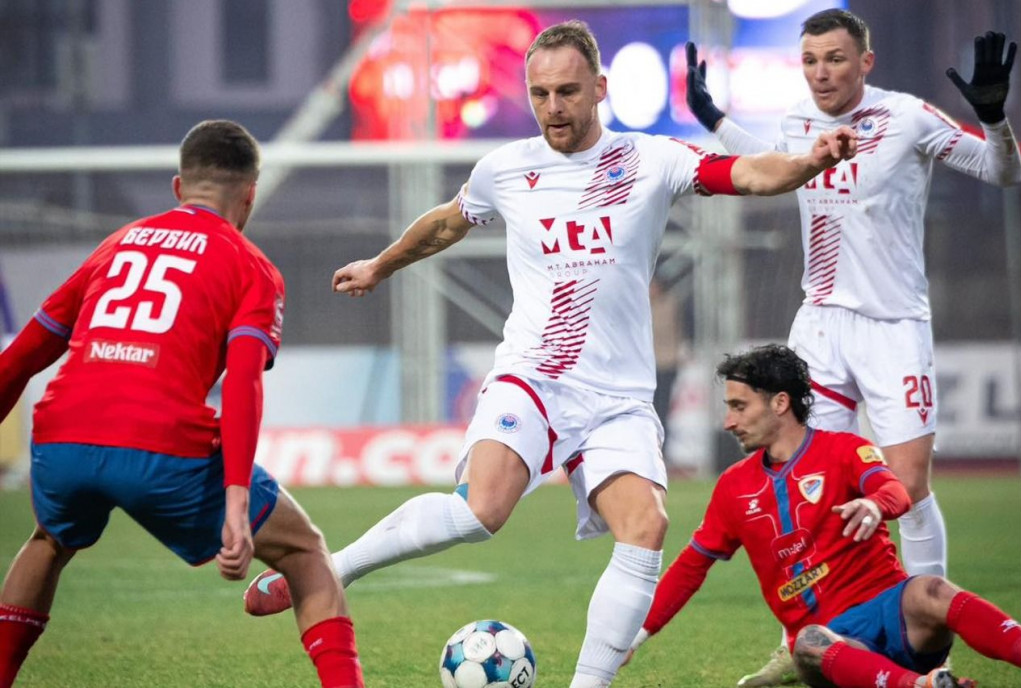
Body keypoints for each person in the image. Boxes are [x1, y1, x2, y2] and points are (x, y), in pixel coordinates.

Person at [243, 20, 855, 687]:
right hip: (535, 375)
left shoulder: (651, 160)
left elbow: (751, 173)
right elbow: (448, 220)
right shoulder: (506, 168)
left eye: (568, 91)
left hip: (618, 395)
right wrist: (380, 265)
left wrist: (809, 163)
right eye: (540, 94)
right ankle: (333, 569)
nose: (554, 107)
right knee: (482, 511)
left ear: (600, 88)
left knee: (646, 527)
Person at [684, 10, 1021, 685]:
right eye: (810, 60)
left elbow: (1002, 170)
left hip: (893, 327)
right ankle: (809, 640)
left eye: (835, 59)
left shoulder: (908, 117)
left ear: (866, 61)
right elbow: (766, 158)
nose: (821, 73)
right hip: (820, 328)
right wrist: (712, 118)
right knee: (809, 487)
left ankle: (931, 644)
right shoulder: (797, 122)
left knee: (909, 489)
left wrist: (993, 118)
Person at [0, 120, 364, 688]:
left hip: (62, 435)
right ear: (249, 195)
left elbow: (19, 359)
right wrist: (236, 503)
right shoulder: (251, 266)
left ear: (178, 186)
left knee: (49, 541)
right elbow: (243, 383)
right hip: (161, 445)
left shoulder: (116, 245)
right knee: (305, 552)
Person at [626, 344, 1021, 688]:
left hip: (896, 615)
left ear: (780, 403)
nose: (729, 422)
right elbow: (691, 567)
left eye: (739, 407)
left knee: (931, 589)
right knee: (809, 643)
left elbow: (896, 492)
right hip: (836, 644)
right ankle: (920, 685)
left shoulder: (845, 450)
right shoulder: (733, 486)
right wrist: (635, 634)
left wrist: (874, 504)